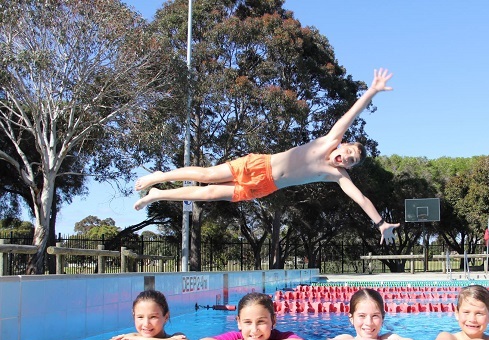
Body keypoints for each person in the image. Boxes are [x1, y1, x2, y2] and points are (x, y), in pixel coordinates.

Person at [133, 68, 400, 244]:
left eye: (351, 161)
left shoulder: (336, 175)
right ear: (343, 145)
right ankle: (162, 176)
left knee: (209, 194)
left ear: (349, 167)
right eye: (349, 152)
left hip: (264, 187)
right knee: (206, 175)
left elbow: (361, 199)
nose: (347, 158)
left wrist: (380, 223)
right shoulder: (330, 140)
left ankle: (158, 194)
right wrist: (373, 91)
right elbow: (352, 113)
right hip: (258, 166)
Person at [190, 292, 309, 340]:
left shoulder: (282, 337)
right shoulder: (236, 338)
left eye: (261, 322)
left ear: (273, 320)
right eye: (247, 322)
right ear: (238, 322)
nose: (254, 330)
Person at [314, 288, 425, 340]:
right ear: (351, 319)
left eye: (375, 316)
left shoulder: (387, 338)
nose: (369, 323)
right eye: (362, 316)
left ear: (383, 318)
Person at [92, 290, 191, 340]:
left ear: (166, 317)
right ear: (133, 316)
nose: (146, 324)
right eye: (140, 317)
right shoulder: (131, 338)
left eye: (153, 317)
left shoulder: (176, 336)